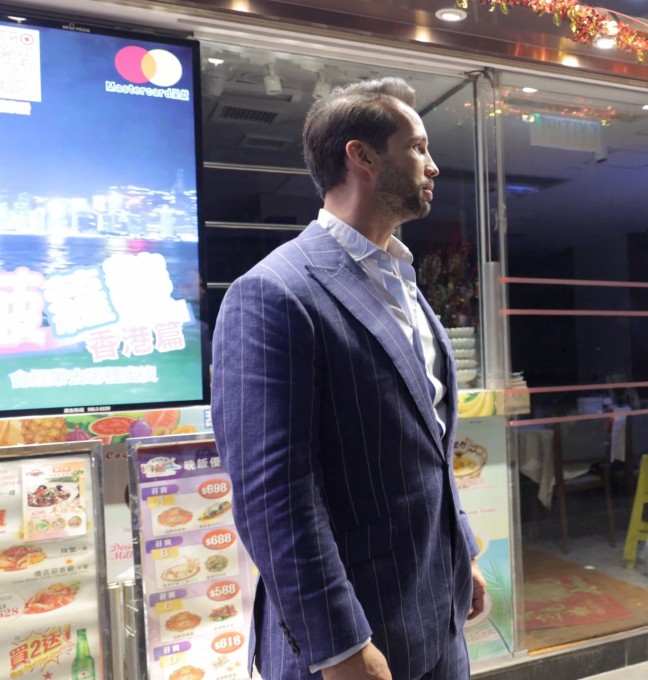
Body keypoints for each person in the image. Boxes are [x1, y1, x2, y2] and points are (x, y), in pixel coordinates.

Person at [211, 77, 485, 680]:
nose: (433, 166)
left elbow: (426, 446)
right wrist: (337, 646)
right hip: (356, 640)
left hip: (437, 617)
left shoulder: (403, 283)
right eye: (416, 147)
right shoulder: (273, 292)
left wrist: (459, 555)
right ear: (361, 156)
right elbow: (272, 498)